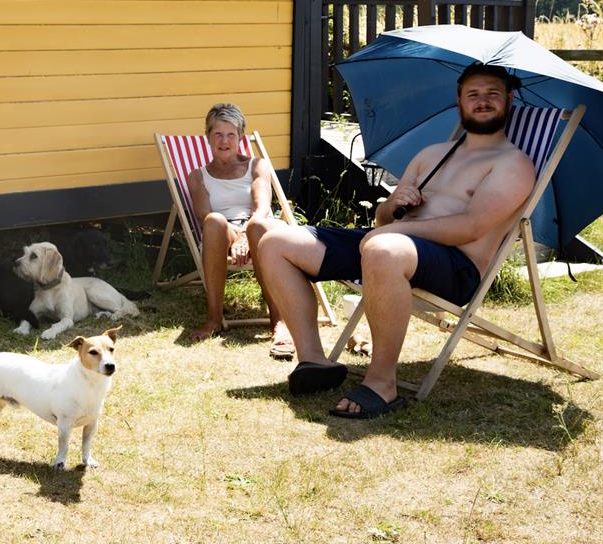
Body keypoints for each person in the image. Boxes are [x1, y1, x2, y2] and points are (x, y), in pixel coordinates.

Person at [256, 64, 535, 418]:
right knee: (276, 241)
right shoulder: (433, 154)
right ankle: (314, 360)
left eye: (492, 94)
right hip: (392, 246)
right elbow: (383, 220)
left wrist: (392, 232)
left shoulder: (513, 164)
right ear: (459, 102)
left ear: (509, 100)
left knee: (381, 248)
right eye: (473, 94)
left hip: (455, 265)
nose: (482, 101)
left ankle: (381, 384)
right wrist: (393, 205)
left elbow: (472, 226)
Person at [186, 103, 292, 355]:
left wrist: (245, 234)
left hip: (258, 228)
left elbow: (263, 206)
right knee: (214, 221)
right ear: (208, 137)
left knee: (256, 224)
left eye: (231, 134)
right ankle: (214, 318)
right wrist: (235, 237)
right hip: (220, 235)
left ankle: (279, 321)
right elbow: (203, 216)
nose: (224, 141)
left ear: (240, 138)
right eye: (218, 134)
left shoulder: (257, 166)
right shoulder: (197, 176)